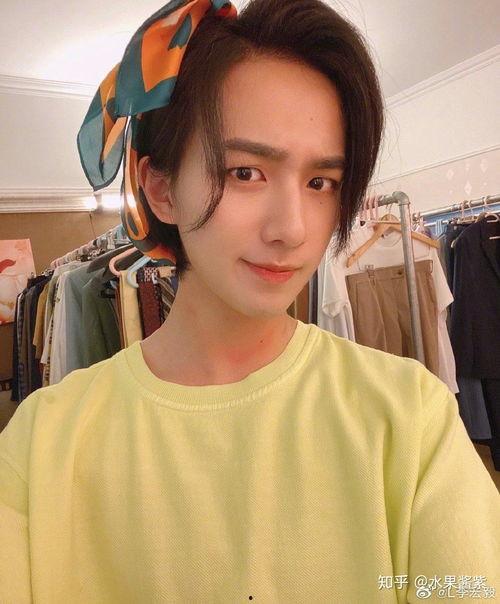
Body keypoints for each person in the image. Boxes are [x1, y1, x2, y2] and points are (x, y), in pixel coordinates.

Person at [1, 0, 499, 602]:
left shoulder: (408, 417)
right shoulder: (43, 443)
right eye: (245, 172)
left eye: (320, 183)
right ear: (161, 188)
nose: (292, 228)